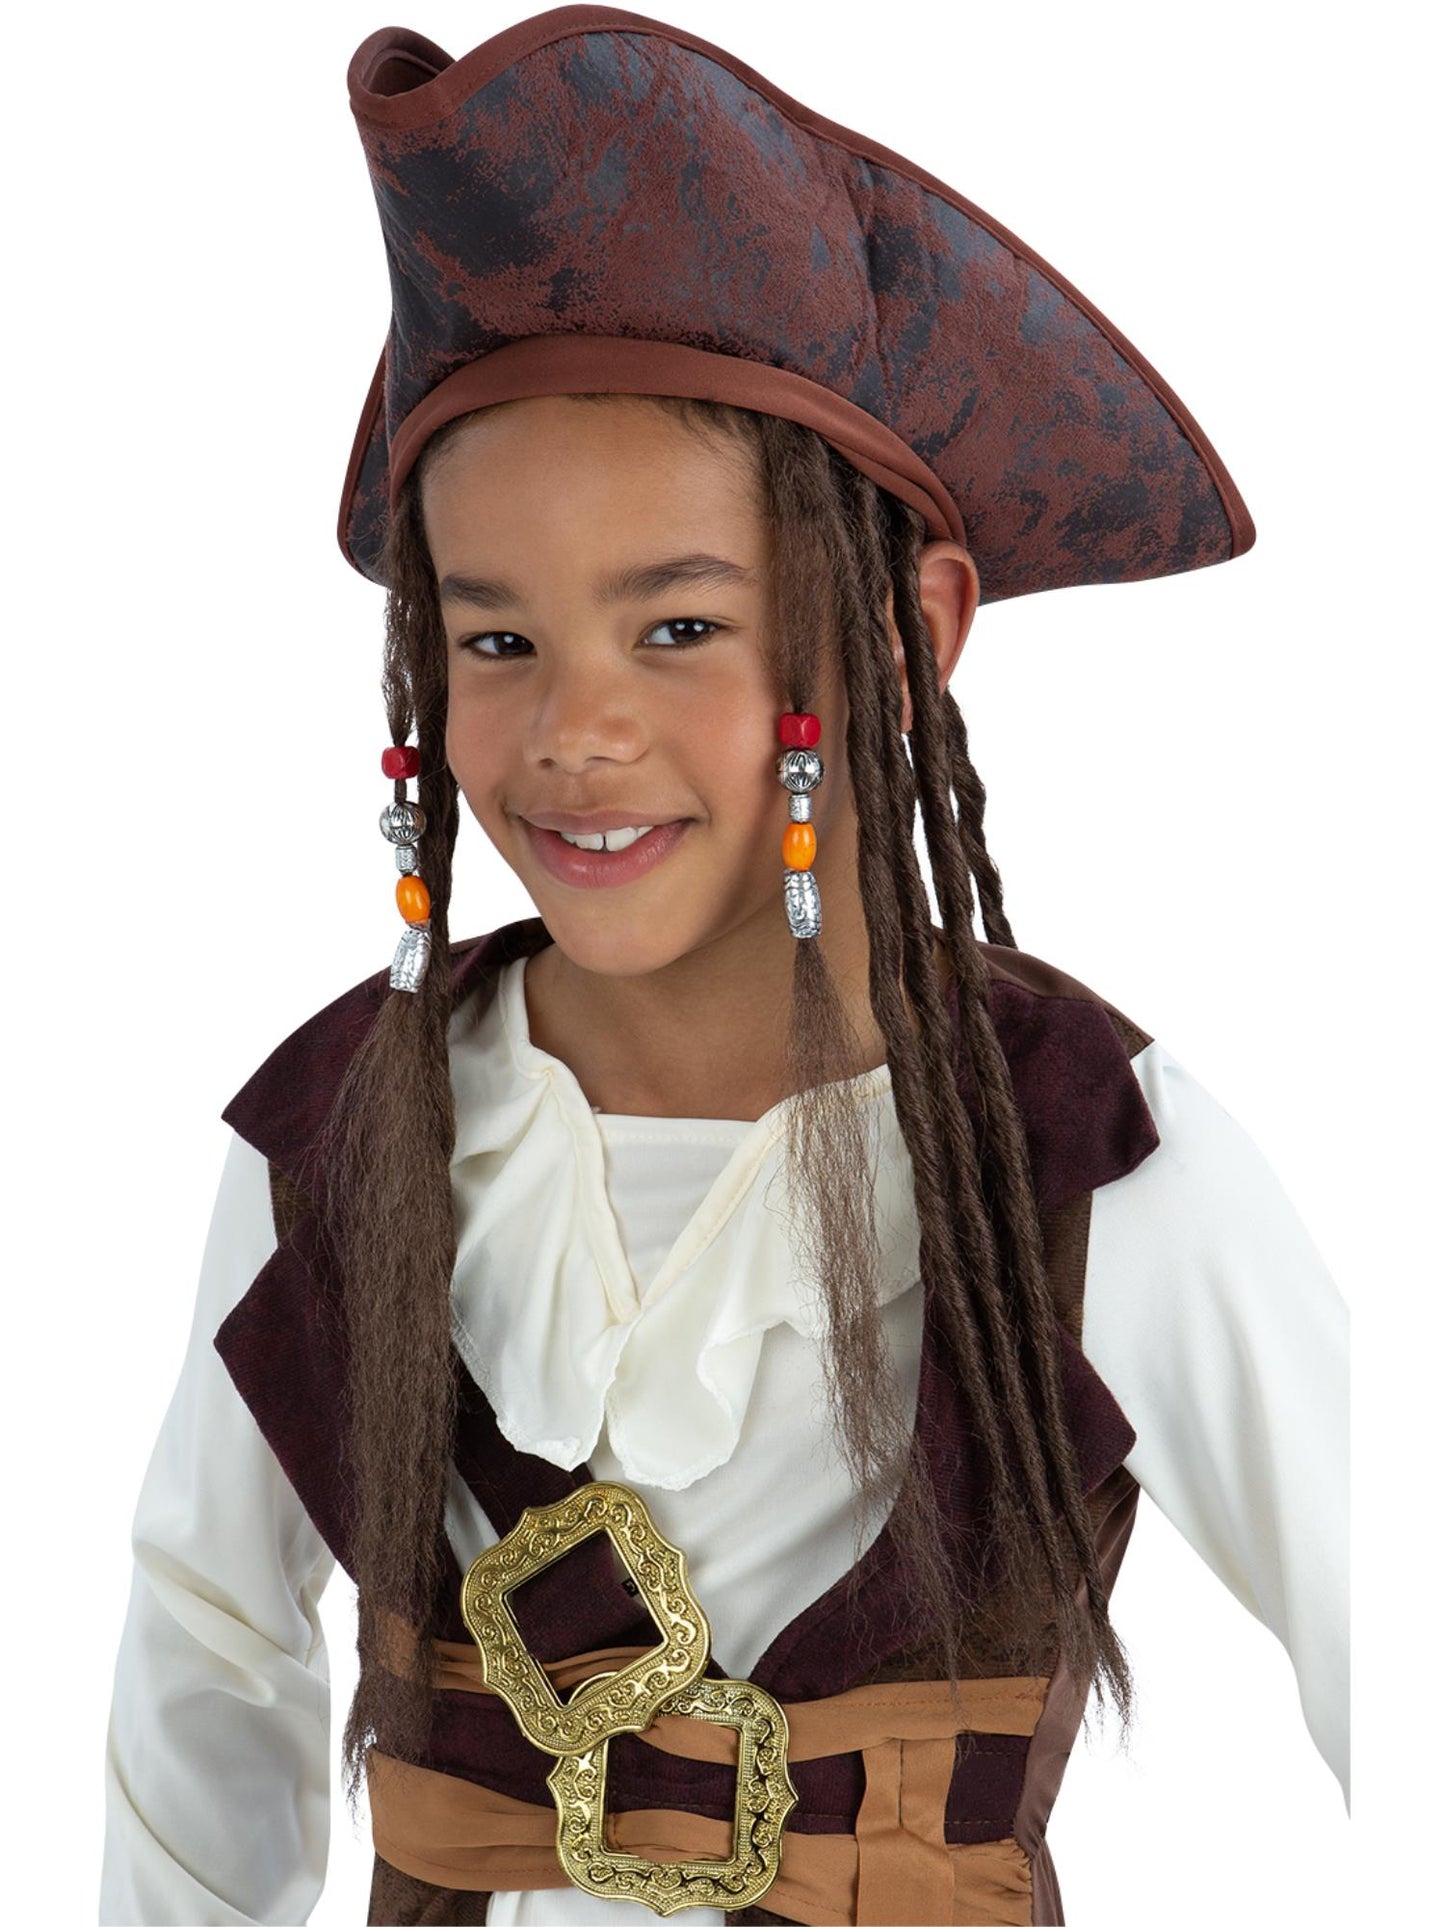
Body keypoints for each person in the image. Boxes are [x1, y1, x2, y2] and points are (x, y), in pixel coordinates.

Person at [100, 7, 1348, 1924]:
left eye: (676, 627)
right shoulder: (344, 1130)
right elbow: (205, 1650)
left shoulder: (1082, 1156)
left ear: (905, 635)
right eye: (496, 641)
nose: (572, 733)